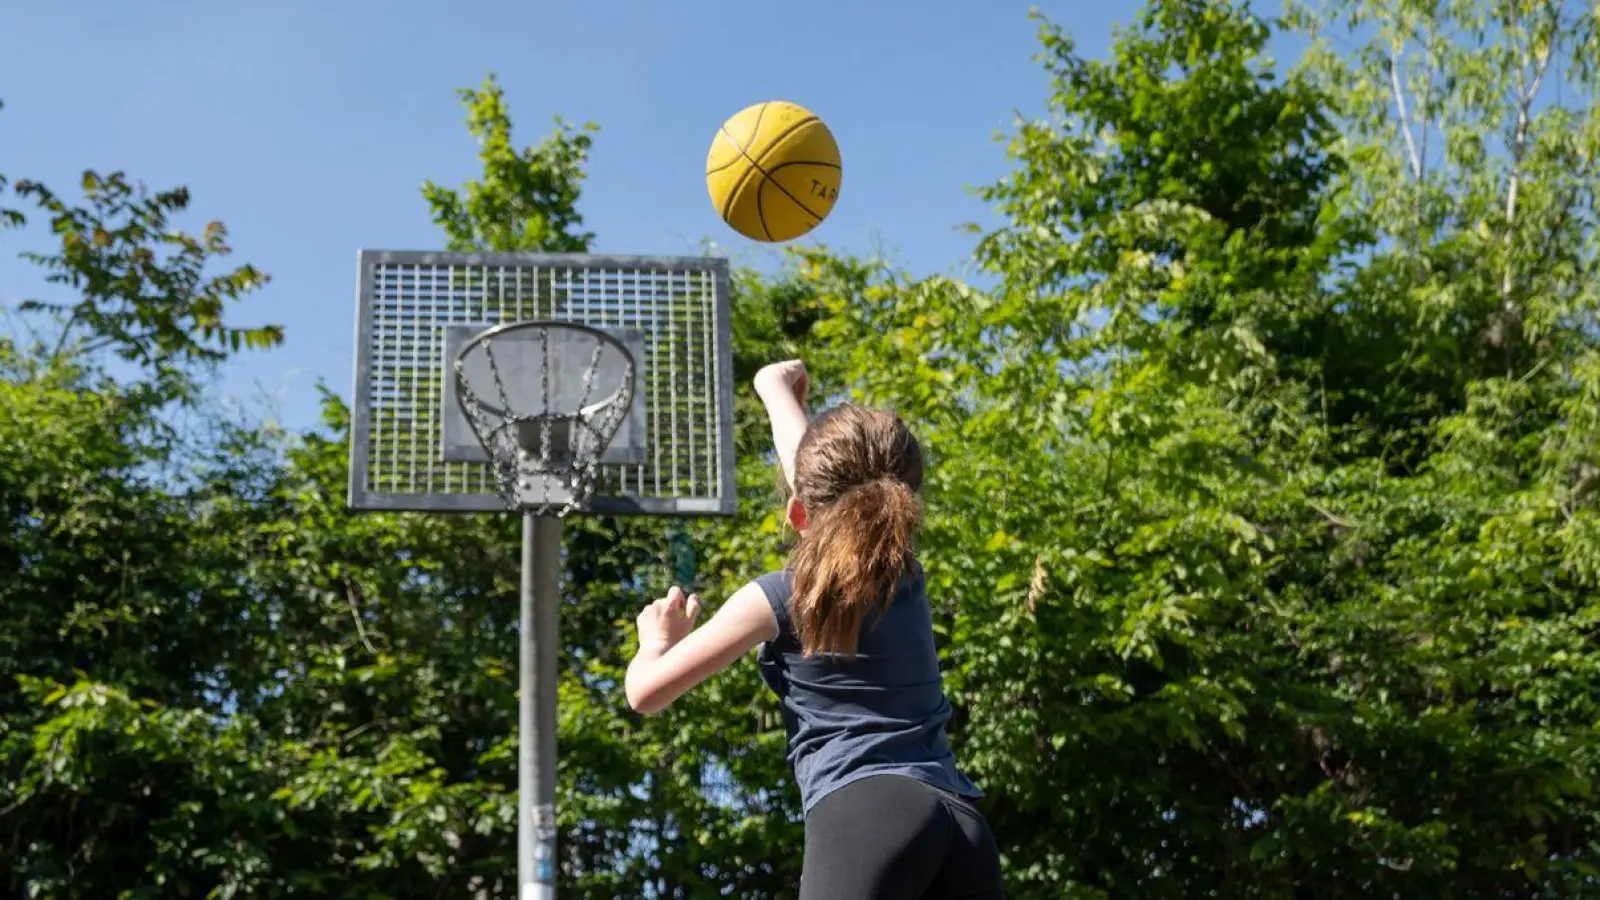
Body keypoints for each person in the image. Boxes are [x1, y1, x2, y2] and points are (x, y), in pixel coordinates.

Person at [624, 359, 1006, 899]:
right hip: (963, 828)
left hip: (868, 813)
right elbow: (839, 488)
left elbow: (646, 693)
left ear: (798, 513)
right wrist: (776, 391)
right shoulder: (905, 577)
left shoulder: (778, 597)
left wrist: (655, 644)